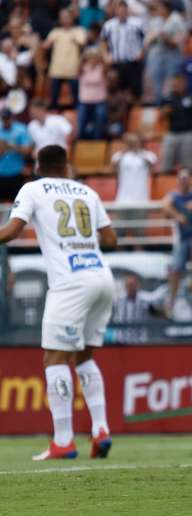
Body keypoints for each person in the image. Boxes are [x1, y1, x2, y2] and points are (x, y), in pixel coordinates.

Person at [0, 144, 117, 460]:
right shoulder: (87, 192)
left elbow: (11, 232)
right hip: (101, 278)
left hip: (70, 283)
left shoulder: (33, 189)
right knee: (84, 357)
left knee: (54, 359)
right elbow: (110, 240)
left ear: (37, 167)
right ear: (67, 166)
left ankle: (63, 441)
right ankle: (101, 429)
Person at [163, 168, 192, 314]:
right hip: (183, 238)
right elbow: (165, 206)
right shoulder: (175, 196)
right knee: (175, 268)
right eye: (181, 180)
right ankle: (171, 300)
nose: (184, 182)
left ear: (190, 181)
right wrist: (177, 216)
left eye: (186, 179)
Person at [112, 133, 157, 238]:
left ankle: (139, 252)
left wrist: (138, 150)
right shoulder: (119, 156)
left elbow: (152, 164)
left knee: (140, 232)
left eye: (134, 141)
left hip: (141, 199)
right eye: (130, 141)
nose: (132, 143)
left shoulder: (148, 155)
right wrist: (125, 149)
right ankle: (120, 254)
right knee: (120, 232)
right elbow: (113, 165)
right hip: (122, 199)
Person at [99, 0, 145, 101]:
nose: (121, 13)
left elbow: (145, 40)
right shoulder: (109, 25)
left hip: (133, 62)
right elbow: (102, 42)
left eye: (124, 11)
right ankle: (118, 114)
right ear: (115, 11)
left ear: (127, 10)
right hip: (116, 62)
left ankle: (132, 113)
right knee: (116, 90)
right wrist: (105, 56)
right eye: (119, 11)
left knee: (134, 91)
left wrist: (142, 52)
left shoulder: (137, 23)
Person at [144, 0, 187, 105]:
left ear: (167, 8)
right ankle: (157, 105)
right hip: (156, 56)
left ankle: (169, 106)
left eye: (161, 8)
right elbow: (147, 41)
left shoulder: (177, 19)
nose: (159, 10)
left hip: (172, 56)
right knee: (155, 83)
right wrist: (154, 37)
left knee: (170, 84)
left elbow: (179, 40)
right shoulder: (155, 21)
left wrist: (166, 37)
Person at [43, 8, 87, 109]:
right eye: (62, 17)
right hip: (57, 69)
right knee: (53, 99)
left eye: (67, 17)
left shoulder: (79, 31)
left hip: (72, 69)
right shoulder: (55, 32)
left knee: (76, 98)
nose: (65, 19)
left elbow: (83, 44)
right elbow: (46, 45)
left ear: (72, 18)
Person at [160, 74, 192, 174]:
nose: (176, 85)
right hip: (171, 133)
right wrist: (164, 112)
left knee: (187, 166)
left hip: (187, 133)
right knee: (166, 164)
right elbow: (160, 117)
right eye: (174, 84)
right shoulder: (167, 98)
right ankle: (166, 180)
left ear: (184, 83)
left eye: (179, 83)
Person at [111, 273, 162, 344]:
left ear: (138, 285)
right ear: (125, 286)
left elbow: (157, 301)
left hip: (139, 340)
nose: (131, 287)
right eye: (129, 285)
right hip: (121, 340)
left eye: (133, 285)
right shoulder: (118, 299)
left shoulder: (145, 299)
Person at [0, 108, 32, 202]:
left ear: (12, 118)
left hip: (16, 172)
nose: (5, 121)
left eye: (7, 118)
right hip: (1, 172)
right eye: (3, 119)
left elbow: (27, 150)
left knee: (17, 203)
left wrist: (10, 146)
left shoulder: (21, 129)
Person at [77, 48, 108, 140]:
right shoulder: (82, 68)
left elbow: (106, 63)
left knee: (99, 119)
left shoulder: (102, 68)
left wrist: (101, 56)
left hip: (99, 101)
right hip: (84, 101)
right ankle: (81, 140)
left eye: (94, 58)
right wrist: (83, 57)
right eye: (90, 58)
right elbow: (78, 64)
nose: (92, 60)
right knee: (81, 120)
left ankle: (96, 140)